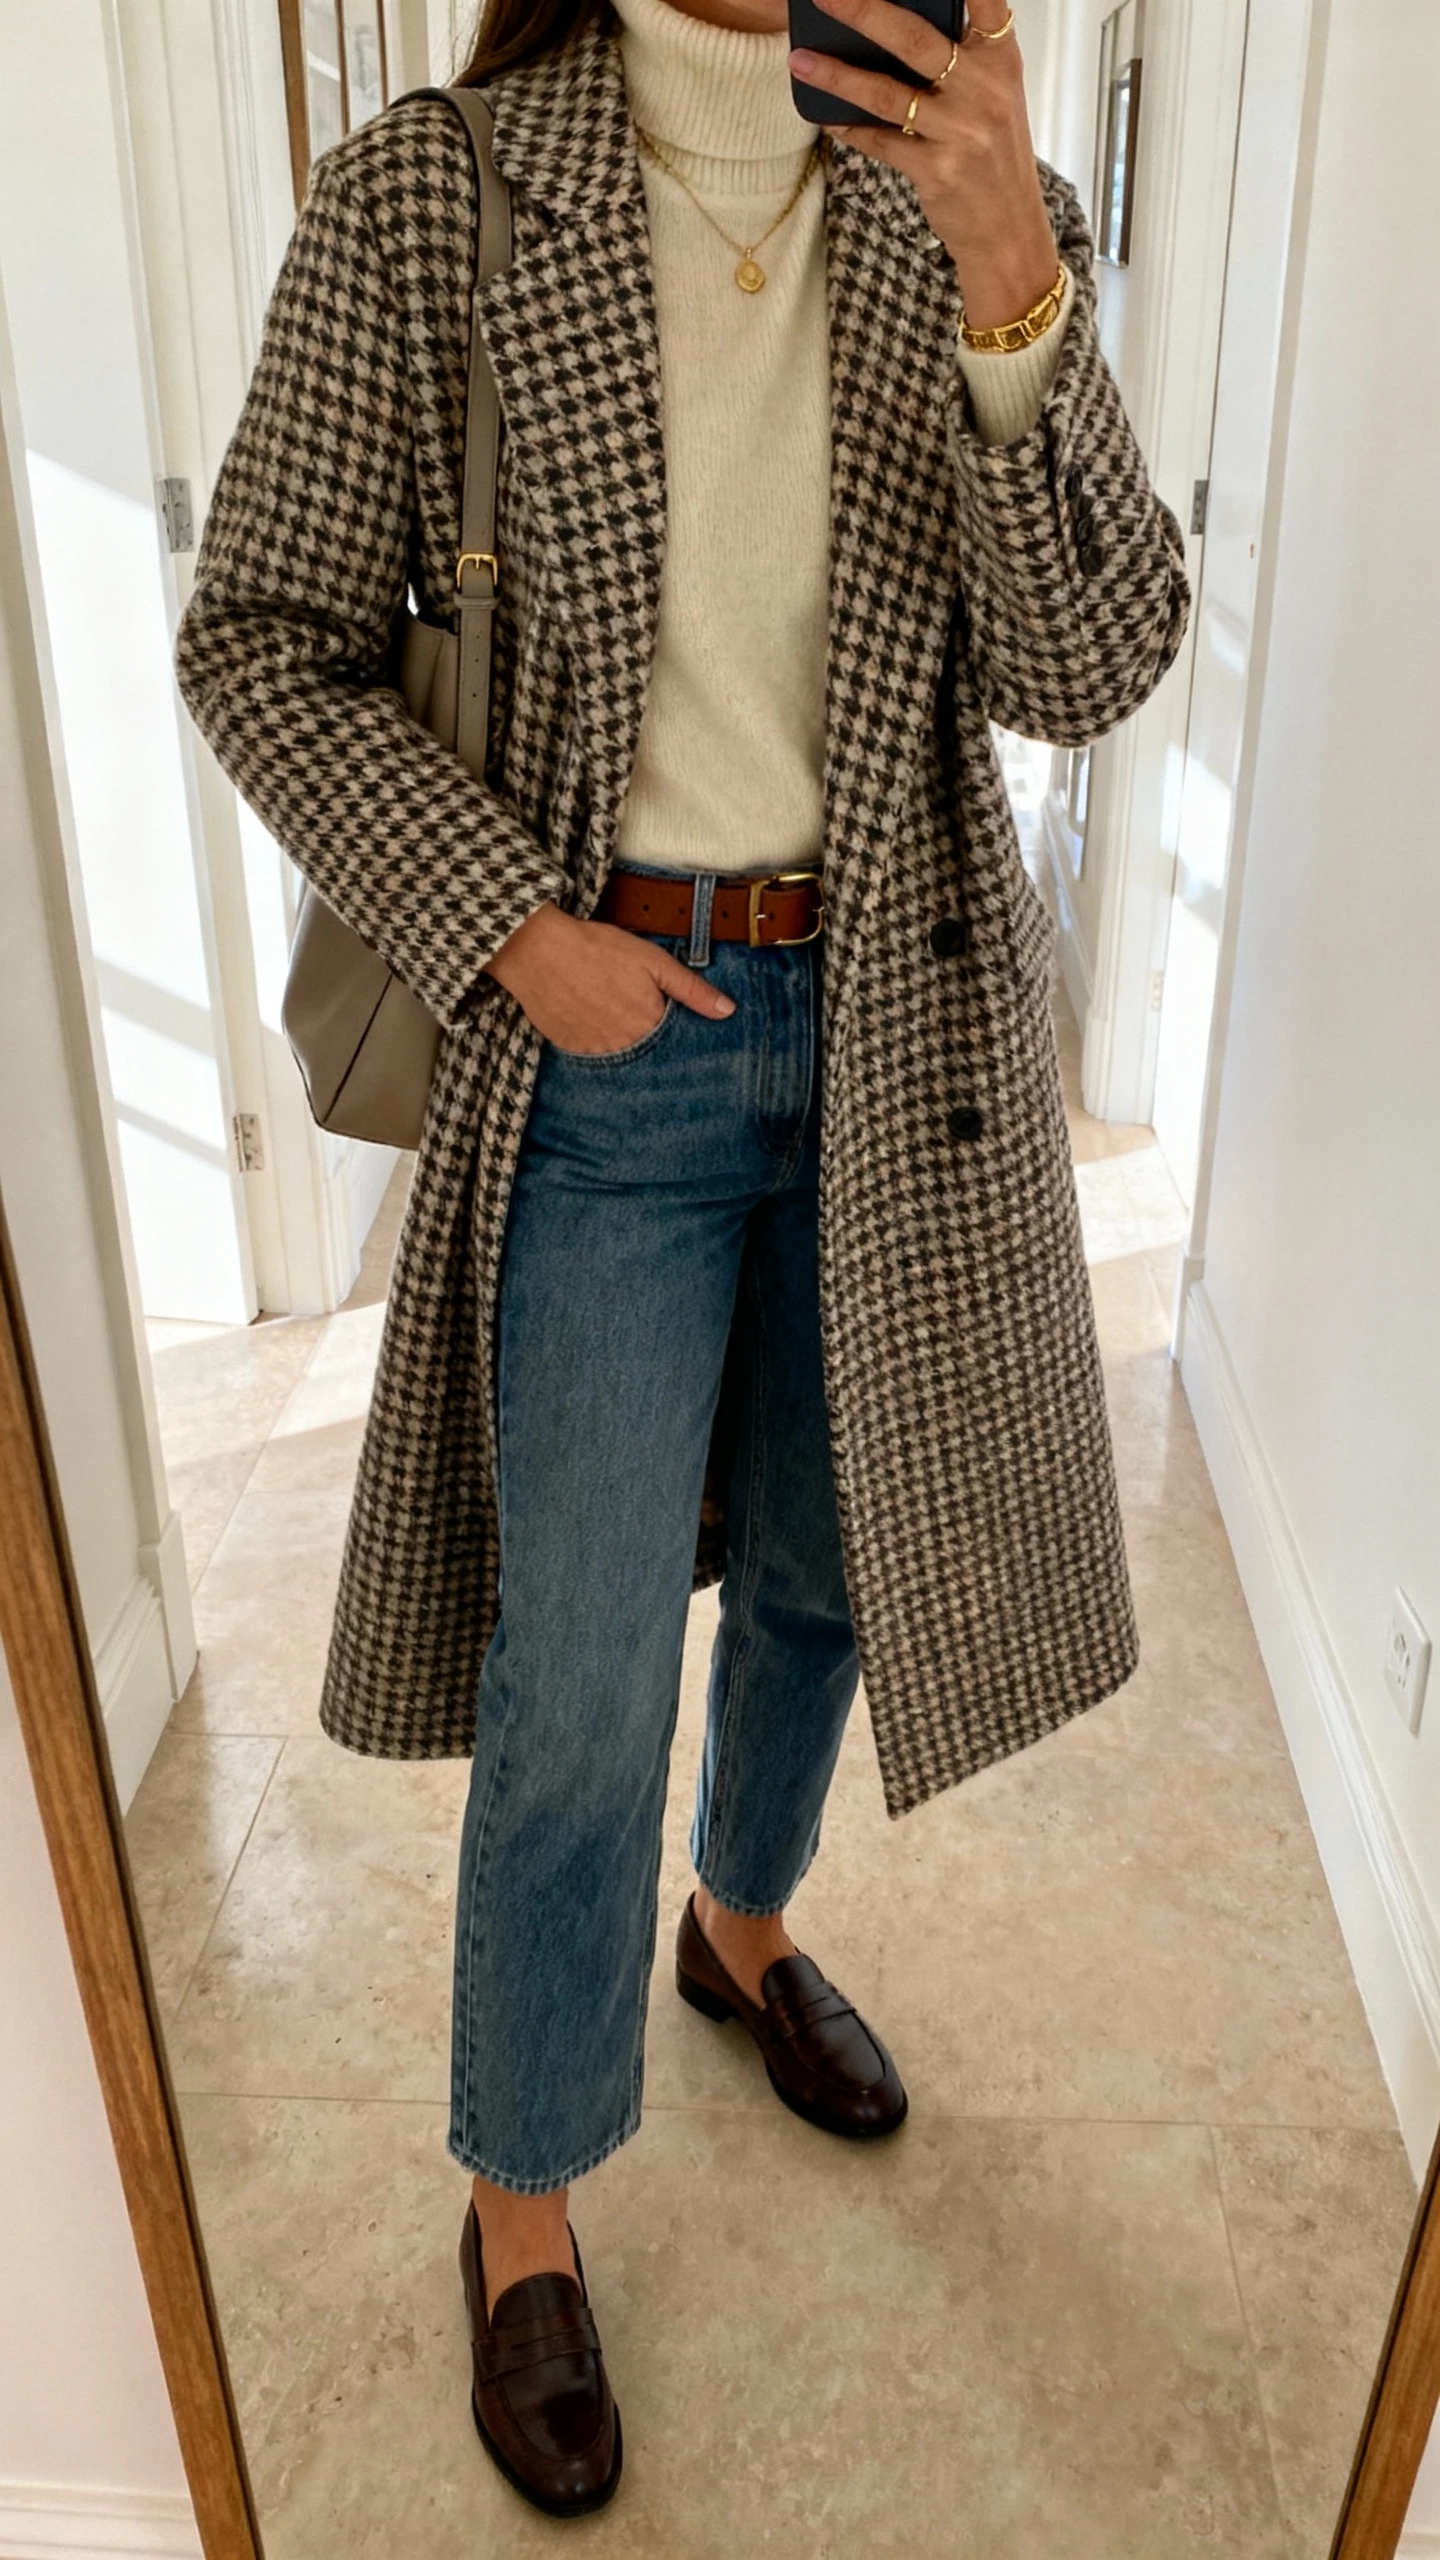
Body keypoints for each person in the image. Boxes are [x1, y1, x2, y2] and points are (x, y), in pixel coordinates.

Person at [176, 0, 1188, 2515]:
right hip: (602, 1032)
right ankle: (520, 2195)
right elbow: (255, 639)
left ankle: (739, 1928)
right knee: (585, 1659)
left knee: (843, 1573)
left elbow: (1093, 666)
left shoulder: (974, 199)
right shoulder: (440, 191)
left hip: (911, 1033)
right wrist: (510, 926)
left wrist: (1002, 275)